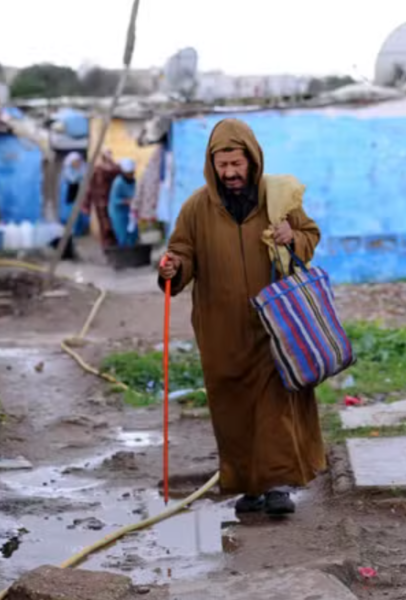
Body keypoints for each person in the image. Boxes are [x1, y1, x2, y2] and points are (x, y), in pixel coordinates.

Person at [158, 119, 325, 517]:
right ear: (211, 165)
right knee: (232, 409)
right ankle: (248, 485)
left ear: (253, 160)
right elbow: (180, 253)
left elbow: (311, 236)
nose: (231, 173)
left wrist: (293, 237)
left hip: (277, 323)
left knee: (275, 404)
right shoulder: (196, 208)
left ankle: (277, 485)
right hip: (221, 329)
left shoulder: (279, 197)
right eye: (223, 165)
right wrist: (172, 268)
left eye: (238, 164)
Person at [86, 149, 121, 248]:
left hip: (111, 199)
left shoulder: (115, 168)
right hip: (100, 201)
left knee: (112, 222)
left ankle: (113, 245)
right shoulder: (97, 169)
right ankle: (107, 246)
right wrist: (87, 203)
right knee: (104, 224)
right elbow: (90, 187)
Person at [58, 152, 90, 237]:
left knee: (80, 214)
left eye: (79, 161)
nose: (78, 163)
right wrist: (81, 175)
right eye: (76, 161)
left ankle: (79, 231)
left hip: (80, 194)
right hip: (71, 194)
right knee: (72, 214)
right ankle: (73, 232)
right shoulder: (67, 170)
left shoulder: (82, 168)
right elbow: (72, 180)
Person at [109, 158, 138, 247]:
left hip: (130, 211)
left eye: (132, 173)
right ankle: (124, 254)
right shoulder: (118, 183)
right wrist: (125, 201)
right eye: (129, 173)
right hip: (118, 212)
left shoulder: (133, 181)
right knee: (122, 234)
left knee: (133, 232)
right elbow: (114, 200)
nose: (131, 175)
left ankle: (132, 252)